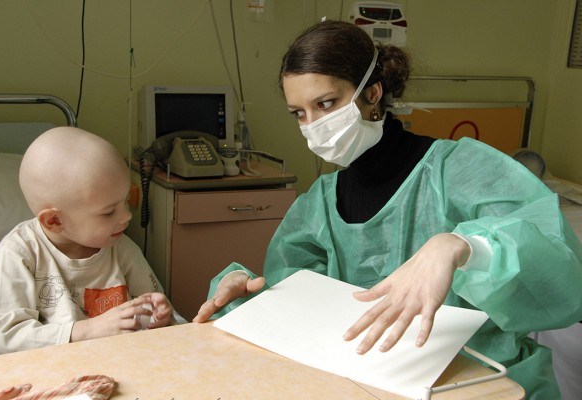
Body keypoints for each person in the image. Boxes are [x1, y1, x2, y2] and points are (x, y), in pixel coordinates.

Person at [194, 20, 582, 399]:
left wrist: (462, 247)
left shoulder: (461, 169)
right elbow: (300, 302)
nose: (313, 125)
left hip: (477, 378)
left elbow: (559, 274)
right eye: (299, 113)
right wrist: (248, 293)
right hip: (368, 377)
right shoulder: (320, 203)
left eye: (326, 104)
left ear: (373, 93)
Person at [0, 127, 181, 355]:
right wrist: (86, 330)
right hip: (55, 369)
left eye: (125, 201)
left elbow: (148, 308)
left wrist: (160, 314)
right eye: (108, 212)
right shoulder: (19, 254)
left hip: (122, 361)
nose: (127, 216)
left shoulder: (121, 247)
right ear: (54, 220)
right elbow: (5, 337)